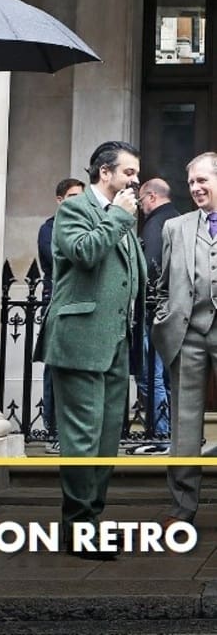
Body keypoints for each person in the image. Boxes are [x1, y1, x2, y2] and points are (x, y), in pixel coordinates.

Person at [40, 141, 146, 560]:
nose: (135, 180)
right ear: (105, 172)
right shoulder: (74, 210)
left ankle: (92, 521)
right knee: (82, 438)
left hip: (116, 340)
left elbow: (130, 271)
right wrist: (119, 217)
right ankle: (79, 528)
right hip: (80, 338)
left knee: (106, 439)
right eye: (128, 172)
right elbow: (84, 253)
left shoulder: (122, 215)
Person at [152, 152, 217, 528]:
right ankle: (181, 508)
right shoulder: (175, 228)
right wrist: (165, 318)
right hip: (187, 333)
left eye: (202, 180)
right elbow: (163, 285)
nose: (195, 188)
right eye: (191, 182)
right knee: (185, 426)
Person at [37, 178, 85, 450]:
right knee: (55, 368)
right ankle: (53, 431)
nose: (78, 201)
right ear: (60, 200)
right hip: (57, 303)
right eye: (72, 196)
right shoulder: (49, 228)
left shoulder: (88, 226)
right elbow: (61, 262)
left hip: (83, 305)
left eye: (81, 196)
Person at [137, 179, 179, 439]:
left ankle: (161, 434)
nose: (140, 206)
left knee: (151, 376)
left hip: (154, 311)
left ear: (151, 197)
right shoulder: (179, 219)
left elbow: (150, 269)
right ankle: (174, 433)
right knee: (167, 377)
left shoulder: (155, 224)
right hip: (175, 311)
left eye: (141, 200)